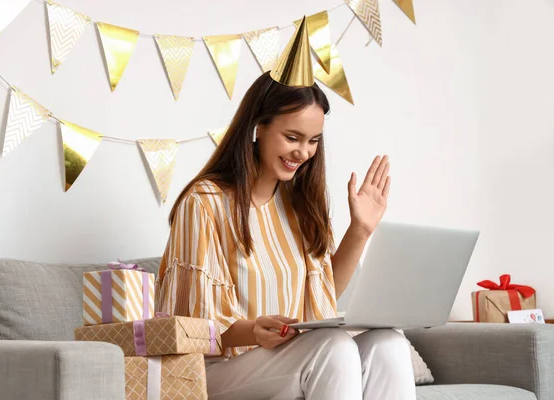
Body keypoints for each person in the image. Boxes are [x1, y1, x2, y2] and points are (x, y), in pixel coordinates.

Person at [156, 17, 416, 400]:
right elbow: (192, 325)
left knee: (388, 343)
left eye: (312, 141)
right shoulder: (206, 202)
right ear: (259, 127)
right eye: (292, 137)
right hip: (217, 370)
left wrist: (360, 229)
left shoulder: (298, 205)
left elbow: (325, 293)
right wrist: (252, 330)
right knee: (335, 348)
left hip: (289, 359)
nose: (303, 153)